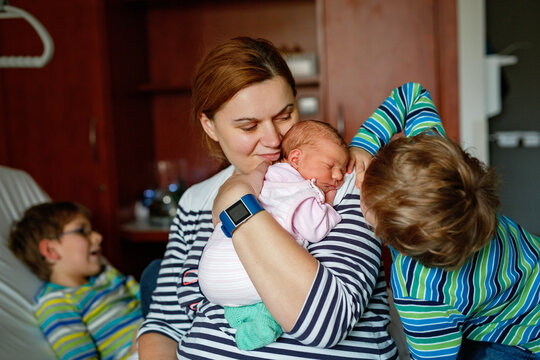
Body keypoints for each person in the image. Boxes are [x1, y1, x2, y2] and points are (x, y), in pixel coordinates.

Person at [138, 36, 402, 359]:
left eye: (284, 115)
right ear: (210, 126)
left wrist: (239, 203)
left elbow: (326, 322)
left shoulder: (340, 181)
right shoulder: (195, 202)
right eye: (248, 126)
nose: (274, 140)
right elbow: (164, 328)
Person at [351, 107, 540, 357]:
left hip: (521, 339)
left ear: (394, 238)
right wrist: (363, 144)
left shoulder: (421, 294)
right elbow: (411, 96)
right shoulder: (437, 167)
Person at [198, 120, 349, 350]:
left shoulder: (267, 175)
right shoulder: (302, 188)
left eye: (342, 167)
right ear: (296, 159)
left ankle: (237, 311)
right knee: (282, 294)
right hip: (242, 270)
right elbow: (314, 229)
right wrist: (327, 204)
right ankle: (261, 321)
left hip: (208, 273)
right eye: (330, 165)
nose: (339, 175)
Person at [8, 201, 142, 360]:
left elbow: (152, 301)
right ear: (51, 250)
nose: (98, 237)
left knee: (154, 273)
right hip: (140, 352)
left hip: (164, 332)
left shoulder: (108, 275)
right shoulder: (57, 302)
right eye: (82, 231)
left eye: (93, 230)